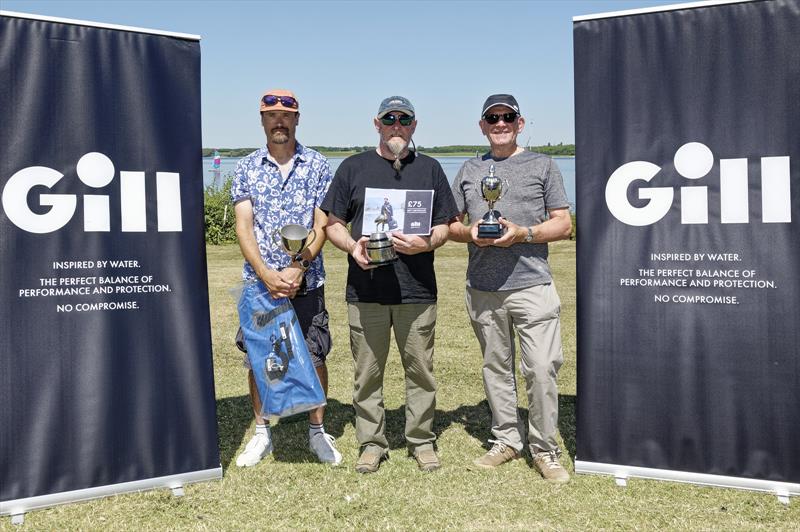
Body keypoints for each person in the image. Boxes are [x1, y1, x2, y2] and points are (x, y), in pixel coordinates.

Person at [322, 96, 458, 473]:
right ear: (377, 123)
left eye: (404, 120)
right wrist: (352, 246)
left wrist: (428, 241)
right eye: (389, 119)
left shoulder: (430, 169)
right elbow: (332, 223)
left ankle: (421, 440)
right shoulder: (352, 168)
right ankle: (371, 442)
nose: (396, 125)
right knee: (367, 374)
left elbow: (447, 223)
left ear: (414, 125)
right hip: (366, 292)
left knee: (420, 372)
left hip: (417, 292)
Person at [448, 94, 572, 483]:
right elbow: (450, 224)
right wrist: (469, 232)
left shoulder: (543, 165)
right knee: (495, 369)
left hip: (532, 285)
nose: (500, 123)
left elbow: (563, 224)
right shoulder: (469, 169)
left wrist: (524, 233)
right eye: (492, 118)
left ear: (520, 123)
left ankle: (545, 449)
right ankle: (505, 440)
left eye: (508, 117)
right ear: (482, 126)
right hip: (483, 288)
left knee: (540, 369)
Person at [231, 88, 341, 467]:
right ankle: (262, 433)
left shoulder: (317, 165)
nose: (279, 121)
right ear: (262, 119)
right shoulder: (245, 167)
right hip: (259, 284)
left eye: (286, 115)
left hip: (306, 280)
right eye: (271, 115)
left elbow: (321, 223)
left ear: (297, 119)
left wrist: (299, 266)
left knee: (315, 354)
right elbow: (244, 225)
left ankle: (317, 431)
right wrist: (265, 272)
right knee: (259, 359)